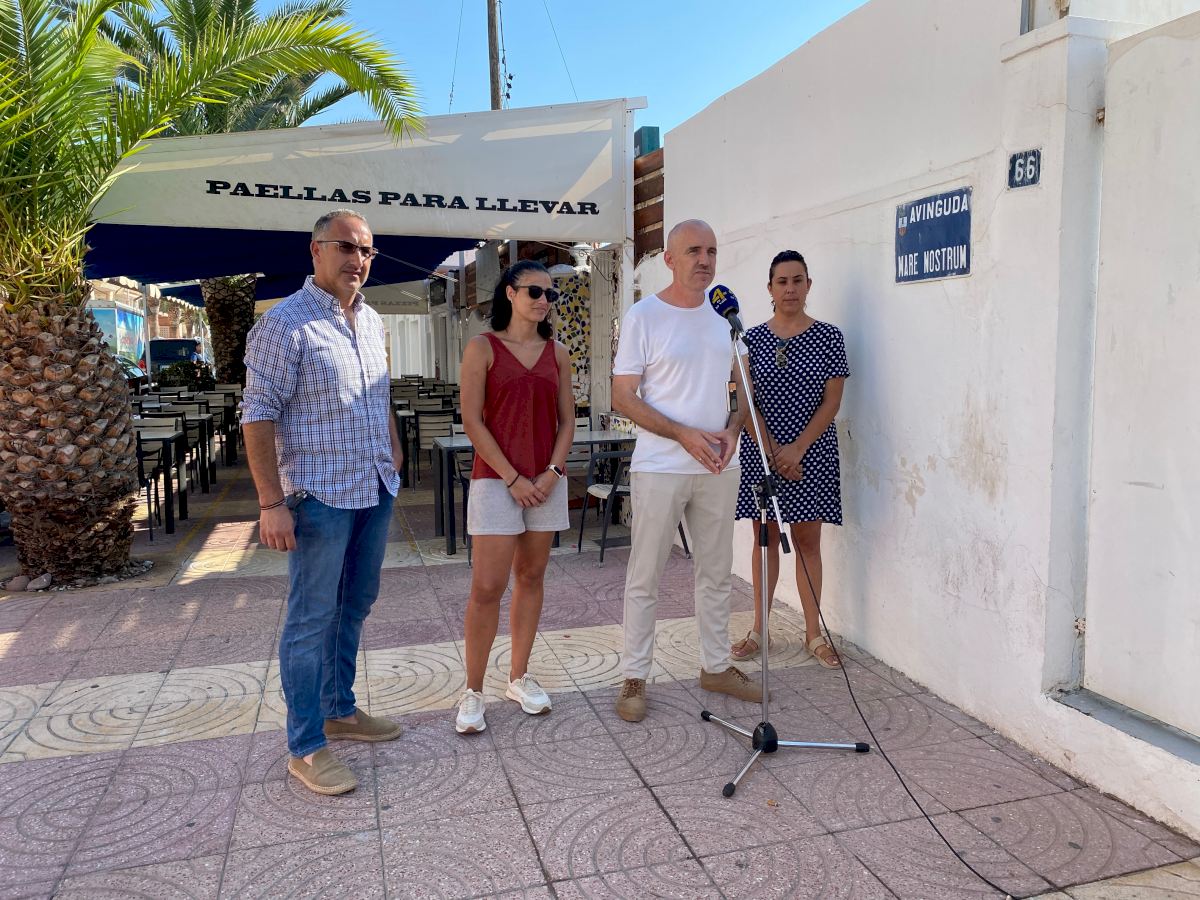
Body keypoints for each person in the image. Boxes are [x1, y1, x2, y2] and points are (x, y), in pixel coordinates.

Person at [241, 210, 405, 795]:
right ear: (316, 250)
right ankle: (306, 746)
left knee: (355, 603)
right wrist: (270, 502)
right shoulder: (284, 325)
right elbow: (256, 415)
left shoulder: (372, 320)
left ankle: (339, 709)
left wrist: (392, 449)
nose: (358, 260)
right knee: (311, 618)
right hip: (318, 495)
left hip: (374, 487)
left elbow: (378, 394)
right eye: (346, 247)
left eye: (367, 251)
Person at [611, 219, 760, 723]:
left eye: (711, 251)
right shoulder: (644, 316)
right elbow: (623, 396)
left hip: (719, 464)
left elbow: (741, 385)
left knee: (716, 571)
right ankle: (635, 675)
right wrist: (682, 434)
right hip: (661, 465)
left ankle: (715, 666)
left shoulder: (726, 315)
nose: (705, 260)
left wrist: (734, 429)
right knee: (645, 574)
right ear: (669, 259)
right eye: (694, 251)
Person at [454, 260, 575, 734]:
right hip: (495, 481)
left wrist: (553, 472)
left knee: (531, 576)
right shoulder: (482, 348)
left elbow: (567, 420)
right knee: (487, 587)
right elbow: (472, 420)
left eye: (550, 294)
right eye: (534, 292)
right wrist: (512, 478)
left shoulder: (557, 353)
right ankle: (473, 689)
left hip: (546, 481)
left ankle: (519, 677)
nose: (544, 300)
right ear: (510, 293)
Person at [731, 250, 849, 668]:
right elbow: (742, 400)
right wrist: (772, 451)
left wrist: (797, 448)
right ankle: (758, 630)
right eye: (782, 282)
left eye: (798, 280)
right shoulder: (748, 340)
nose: (790, 289)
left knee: (807, 541)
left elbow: (832, 401)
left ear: (808, 285)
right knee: (763, 538)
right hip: (762, 453)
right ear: (770, 288)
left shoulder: (829, 337)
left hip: (811, 453)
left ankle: (813, 633)